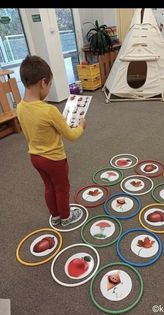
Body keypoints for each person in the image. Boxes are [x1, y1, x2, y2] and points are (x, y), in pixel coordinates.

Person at [16, 55, 87, 227]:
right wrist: (81, 126)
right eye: (50, 85)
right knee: (62, 188)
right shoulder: (49, 110)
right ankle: (66, 217)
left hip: (35, 158)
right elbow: (71, 136)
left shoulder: (19, 107)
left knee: (49, 186)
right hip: (54, 159)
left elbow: (31, 130)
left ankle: (55, 215)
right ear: (43, 82)